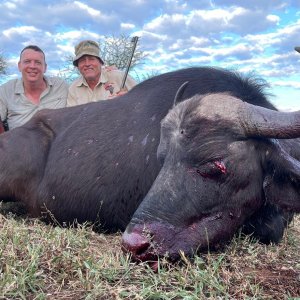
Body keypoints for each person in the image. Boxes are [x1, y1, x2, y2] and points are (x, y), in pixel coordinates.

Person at [0, 45, 68, 130]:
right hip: (20, 142)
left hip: (58, 142)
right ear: (19, 66)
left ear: (45, 67)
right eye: (27, 61)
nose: (32, 66)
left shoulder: (60, 86)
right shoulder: (5, 90)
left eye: (38, 62)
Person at [67, 40, 137, 107]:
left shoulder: (119, 76)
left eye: (91, 59)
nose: (87, 64)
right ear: (77, 66)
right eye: (82, 60)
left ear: (100, 63)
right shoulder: (73, 89)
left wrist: (129, 99)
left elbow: (143, 99)